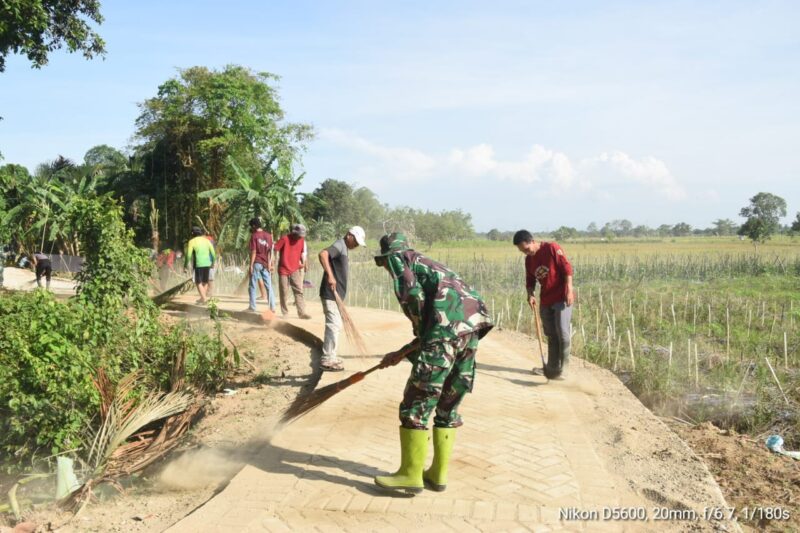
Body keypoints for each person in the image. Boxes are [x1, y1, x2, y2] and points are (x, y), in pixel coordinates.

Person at [372, 233, 493, 495]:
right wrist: (406, 350)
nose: (386, 268)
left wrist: (418, 334)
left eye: (382, 263)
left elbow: (413, 294)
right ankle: (437, 474)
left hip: (445, 334)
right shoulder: (431, 264)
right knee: (448, 402)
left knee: (416, 402)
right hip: (470, 331)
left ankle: (410, 475)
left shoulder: (398, 259)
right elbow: (439, 323)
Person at [512, 230, 574, 379]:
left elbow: (567, 269)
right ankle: (551, 368)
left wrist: (570, 290)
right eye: (522, 251)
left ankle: (564, 369)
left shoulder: (551, 248)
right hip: (546, 299)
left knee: (563, 333)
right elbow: (530, 280)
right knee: (551, 335)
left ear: (532, 241)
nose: (526, 253)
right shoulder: (529, 260)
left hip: (561, 297)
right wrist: (530, 294)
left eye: (526, 249)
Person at [318, 226, 366, 371]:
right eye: (356, 241)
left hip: (336, 295)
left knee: (336, 325)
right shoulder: (340, 244)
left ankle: (331, 355)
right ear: (349, 235)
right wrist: (330, 276)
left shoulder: (343, 248)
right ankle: (327, 359)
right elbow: (323, 254)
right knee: (333, 325)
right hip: (330, 293)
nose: (356, 245)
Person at [274, 223, 311, 319]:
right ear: (294, 233)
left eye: (301, 236)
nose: (300, 238)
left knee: (298, 290)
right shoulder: (284, 239)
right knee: (284, 291)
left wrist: (303, 262)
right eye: (299, 236)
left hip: (295, 269)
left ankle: (302, 312)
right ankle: (285, 312)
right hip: (283, 269)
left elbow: (302, 253)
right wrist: (272, 261)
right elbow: (275, 249)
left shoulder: (302, 240)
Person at [247, 217, 276, 313]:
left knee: (252, 285)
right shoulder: (268, 236)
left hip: (257, 262)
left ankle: (252, 307)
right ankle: (272, 307)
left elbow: (254, 251)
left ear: (254, 226)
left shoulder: (254, 236)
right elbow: (270, 252)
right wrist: (270, 264)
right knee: (269, 286)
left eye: (251, 226)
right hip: (265, 263)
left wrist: (251, 265)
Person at [184, 226, 216, 304]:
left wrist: (185, 265)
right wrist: (213, 263)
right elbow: (213, 253)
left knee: (198, 282)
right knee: (205, 282)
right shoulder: (207, 240)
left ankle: (204, 298)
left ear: (192, 233)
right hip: (207, 264)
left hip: (198, 264)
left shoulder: (192, 241)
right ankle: (202, 298)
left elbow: (188, 255)